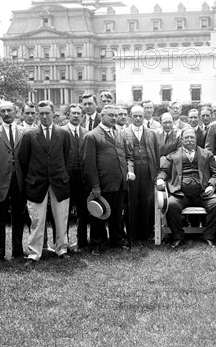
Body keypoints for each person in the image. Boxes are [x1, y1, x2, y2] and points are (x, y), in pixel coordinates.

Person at [19, 100, 72, 264]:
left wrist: (62, 174)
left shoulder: (63, 134)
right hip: (37, 183)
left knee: (61, 217)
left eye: (47, 113)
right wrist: (34, 175)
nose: (44, 116)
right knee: (36, 219)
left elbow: (68, 157)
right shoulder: (29, 135)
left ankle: (62, 249)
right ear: (37, 115)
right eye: (40, 113)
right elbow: (23, 159)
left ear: (53, 114)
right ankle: (34, 253)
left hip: (59, 182)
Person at [156, 129, 216, 248]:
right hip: (181, 194)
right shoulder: (172, 156)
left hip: (203, 194)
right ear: (181, 140)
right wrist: (160, 179)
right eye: (186, 137)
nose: (189, 140)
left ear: (196, 139)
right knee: (171, 205)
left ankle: (208, 236)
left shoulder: (207, 154)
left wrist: (211, 185)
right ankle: (178, 237)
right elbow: (164, 171)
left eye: (192, 137)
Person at [82, 105, 135, 253]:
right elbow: (89, 164)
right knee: (98, 214)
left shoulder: (119, 134)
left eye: (115, 115)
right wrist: (95, 186)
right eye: (110, 115)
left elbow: (128, 156)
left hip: (119, 183)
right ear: (102, 115)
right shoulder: (92, 136)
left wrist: (129, 171)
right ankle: (97, 244)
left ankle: (117, 240)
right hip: (102, 184)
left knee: (117, 214)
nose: (114, 118)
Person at [0, 101, 27, 264]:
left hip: (20, 181)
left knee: (19, 217)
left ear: (16, 112)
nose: (7, 113)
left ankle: (18, 251)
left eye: (10, 110)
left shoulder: (25, 133)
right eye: (3, 111)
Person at [124, 106, 160, 242]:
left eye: (140, 116)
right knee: (132, 202)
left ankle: (145, 234)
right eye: (135, 116)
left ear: (144, 116)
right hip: (132, 173)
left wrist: (156, 173)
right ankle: (131, 235)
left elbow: (156, 154)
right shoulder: (124, 132)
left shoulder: (152, 133)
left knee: (146, 202)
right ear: (130, 117)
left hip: (147, 171)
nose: (138, 119)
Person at [64, 103, 88, 253]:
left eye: (79, 113)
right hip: (66, 177)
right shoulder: (61, 132)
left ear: (82, 116)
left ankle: (82, 242)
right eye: (73, 113)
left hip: (82, 178)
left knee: (83, 211)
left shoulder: (86, 133)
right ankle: (63, 244)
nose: (76, 116)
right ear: (68, 115)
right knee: (64, 212)